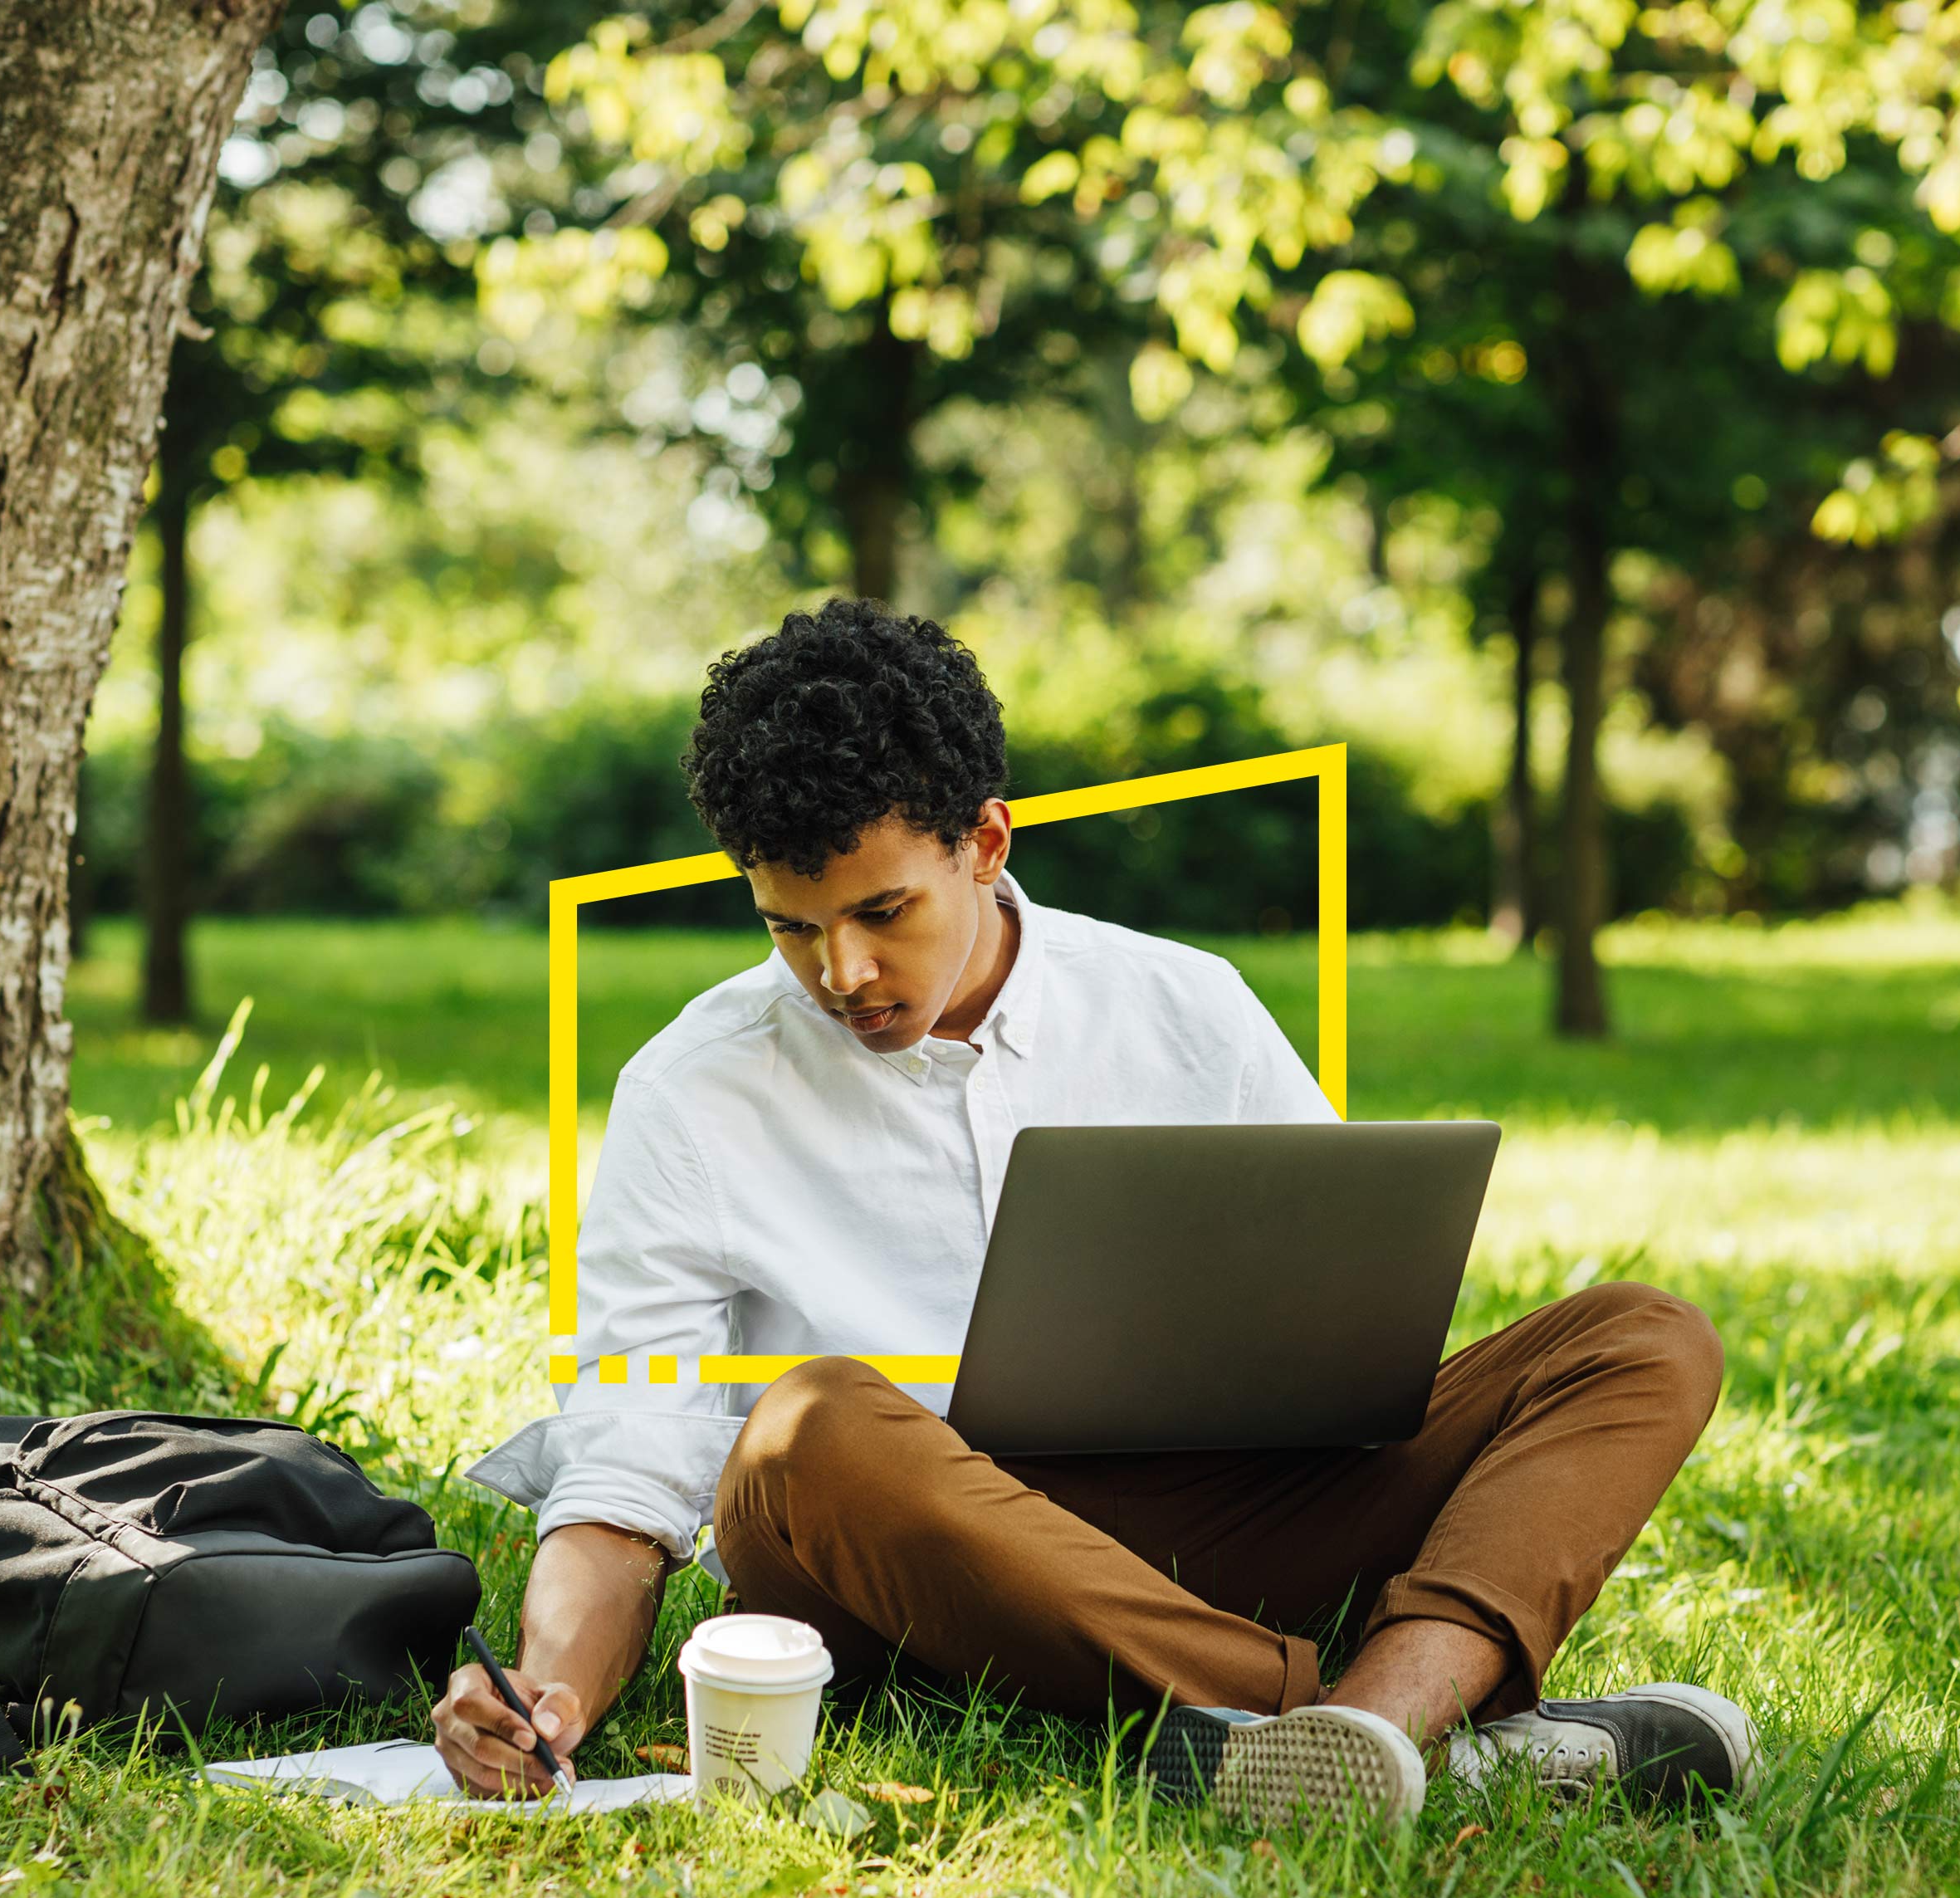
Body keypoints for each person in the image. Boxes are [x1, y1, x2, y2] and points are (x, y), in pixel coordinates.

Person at [432, 601, 1756, 1822]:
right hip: (910, 1574)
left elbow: (1350, 1327)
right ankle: (1409, 1728)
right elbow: (627, 1460)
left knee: (1641, 1337)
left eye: (882, 912)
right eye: (790, 927)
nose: (841, 971)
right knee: (803, 1428)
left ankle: (1365, 1733)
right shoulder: (693, 1088)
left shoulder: (1184, 1006)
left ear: (987, 844)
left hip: (1215, 1527)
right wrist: (551, 1693)